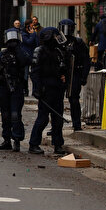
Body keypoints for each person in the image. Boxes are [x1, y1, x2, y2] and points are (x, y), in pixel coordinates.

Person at [28, 26, 70, 156]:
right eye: (55, 37)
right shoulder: (39, 51)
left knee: (57, 119)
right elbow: (34, 72)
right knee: (43, 118)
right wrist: (37, 89)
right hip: (46, 90)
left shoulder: (58, 51)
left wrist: (63, 77)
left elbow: (63, 67)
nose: (57, 39)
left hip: (57, 89)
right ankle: (33, 144)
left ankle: (58, 145)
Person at [0, 27, 29, 151]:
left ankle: (17, 140)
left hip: (16, 87)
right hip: (4, 87)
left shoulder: (21, 52)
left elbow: (26, 62)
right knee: (6, 115)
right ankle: (6, 139)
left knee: (15, 115)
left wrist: (17, 49)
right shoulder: (2, 54)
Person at [59, 18, 91, 131]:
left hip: (75, 73)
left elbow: (86, 60)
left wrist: (84, 76)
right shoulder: (57, 42)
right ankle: (57, 126)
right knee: (57, 100)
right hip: (61, 74)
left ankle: (76, 124)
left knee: (74, 100)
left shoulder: (78, 42)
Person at [23, 18, 41, 95]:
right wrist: (32, 34)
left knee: (34, 75)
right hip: (26, 56)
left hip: (33, 56)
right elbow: (28, 42)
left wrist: (34, 34)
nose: (33, 25)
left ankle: (35, 91)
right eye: (32, 23)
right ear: (28, 25)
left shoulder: (33, 32)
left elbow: (37, 43)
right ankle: (25, 91)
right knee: (25, 75)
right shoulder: (23, 33)